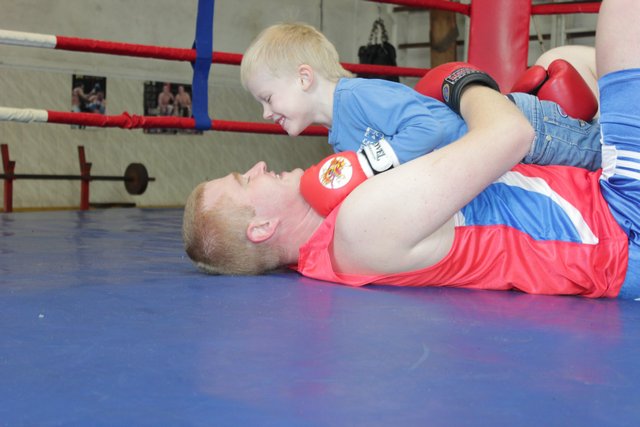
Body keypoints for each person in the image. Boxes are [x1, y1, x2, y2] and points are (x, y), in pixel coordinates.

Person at [183, 0, 640, 300]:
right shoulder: (362, 224)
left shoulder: (339, 221)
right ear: (262, 228)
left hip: (590, 204)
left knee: (557, 61)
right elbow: (509, 135)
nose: (258, 165)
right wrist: (459, 81)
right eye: (245, 179)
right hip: (619, 226)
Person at [240, 22, 602, 172]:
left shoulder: (357, 96)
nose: (266, 112)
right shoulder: (339, 137)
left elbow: (427, 130)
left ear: (304, 78)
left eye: (268, 98)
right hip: (501, 157)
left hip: (523, 127)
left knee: (610, 158)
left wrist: (367, 166)